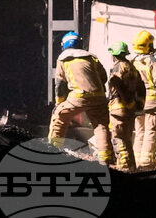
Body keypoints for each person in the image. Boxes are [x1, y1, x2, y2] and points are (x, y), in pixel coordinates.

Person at [48, 31, 112, 164]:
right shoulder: (91, 57)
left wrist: (59, 103)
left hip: (77, 97)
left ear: (64, 44)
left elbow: (59, 85)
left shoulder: (63, 58)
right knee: (101, 126)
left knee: (59, 118)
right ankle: (106, 158)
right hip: (99, 97)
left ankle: (53, 151)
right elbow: (104, 77)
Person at [132, 30, 156, 169]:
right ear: (148, 45)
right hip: (153, 102)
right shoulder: (153, 61)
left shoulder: (132, 62)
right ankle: (147, 163)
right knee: (152, 131)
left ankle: (136, 161)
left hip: (137, 102)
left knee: (140, 131)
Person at [106, 41, 144, 170]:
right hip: (130, 109)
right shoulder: (132, 67)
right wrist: (139, 104)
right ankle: (132, 167)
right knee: (127, 139)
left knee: (118, 138)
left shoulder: (118, 67)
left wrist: (125, 98)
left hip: (118, 107)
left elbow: (114, 81)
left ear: (115, 54)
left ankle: (124, 167)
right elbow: (141, 87)